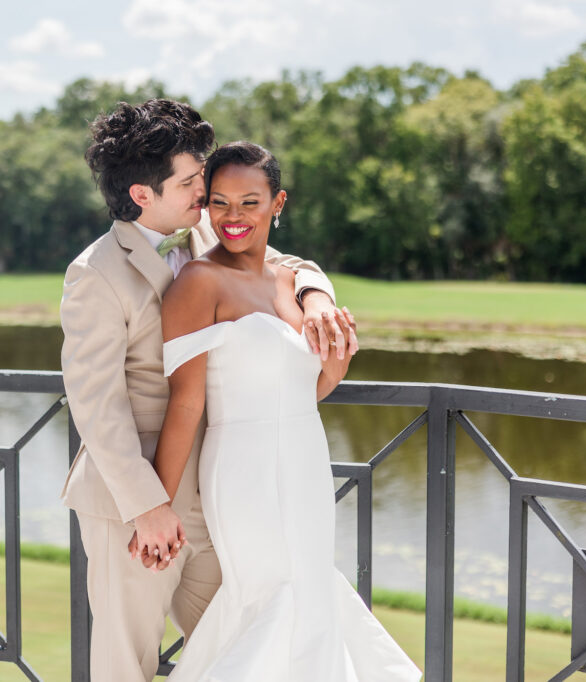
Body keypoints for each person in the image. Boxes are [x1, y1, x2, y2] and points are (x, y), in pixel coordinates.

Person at [60, 99, 351, 682]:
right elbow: (97, 406)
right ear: (144, 194)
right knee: (127, 665)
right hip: (134, 503)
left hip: (221, 497)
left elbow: (284, 259)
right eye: (193, 182)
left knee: (245, 650)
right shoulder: (94, 274)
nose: (207, 194)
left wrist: (317, 295)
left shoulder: (202, 228)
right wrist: (147, 507)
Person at [153, 141, 421, 681]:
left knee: (310, 586)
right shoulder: (197, 282)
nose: (233, 217)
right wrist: (157, 506)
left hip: (305, 461)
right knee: (270, 595)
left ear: (278, 204)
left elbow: (304, 390)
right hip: (243, 469)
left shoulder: (290, 283)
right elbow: (187, 402)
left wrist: (336, 367)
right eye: (219, 202)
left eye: (249, 203)